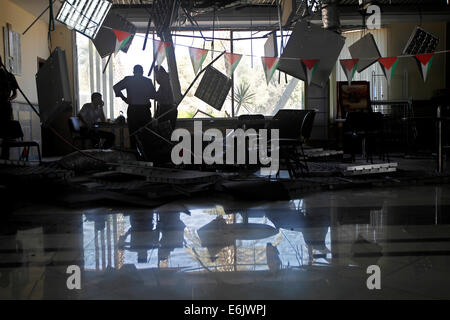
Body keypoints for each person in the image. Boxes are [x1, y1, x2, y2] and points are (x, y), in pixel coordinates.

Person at [113, 65, 157, 158]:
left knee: (133, 134)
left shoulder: (128, 79)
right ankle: (147, 156)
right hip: (145, 110)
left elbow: (116, 87)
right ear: (142, 72)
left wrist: (124, 98)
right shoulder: (147, 81)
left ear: (133, 72)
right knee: (146, 134)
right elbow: (153, 96)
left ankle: (134, 156)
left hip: (133, 109)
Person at [0, 55, 19, 160]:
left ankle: (5, 158)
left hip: (6, 108)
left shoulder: (9, 76)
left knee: (7, 135)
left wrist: (9, 99)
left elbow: (15, 93)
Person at [154, 65, 177, 130]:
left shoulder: (165, 83)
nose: (156, 78)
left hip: (166, 109)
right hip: (171, 108)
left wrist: (154, 95)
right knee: (169, 131)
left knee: (164, 131)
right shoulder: (169, 80)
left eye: (156, 75)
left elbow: (162, 96)